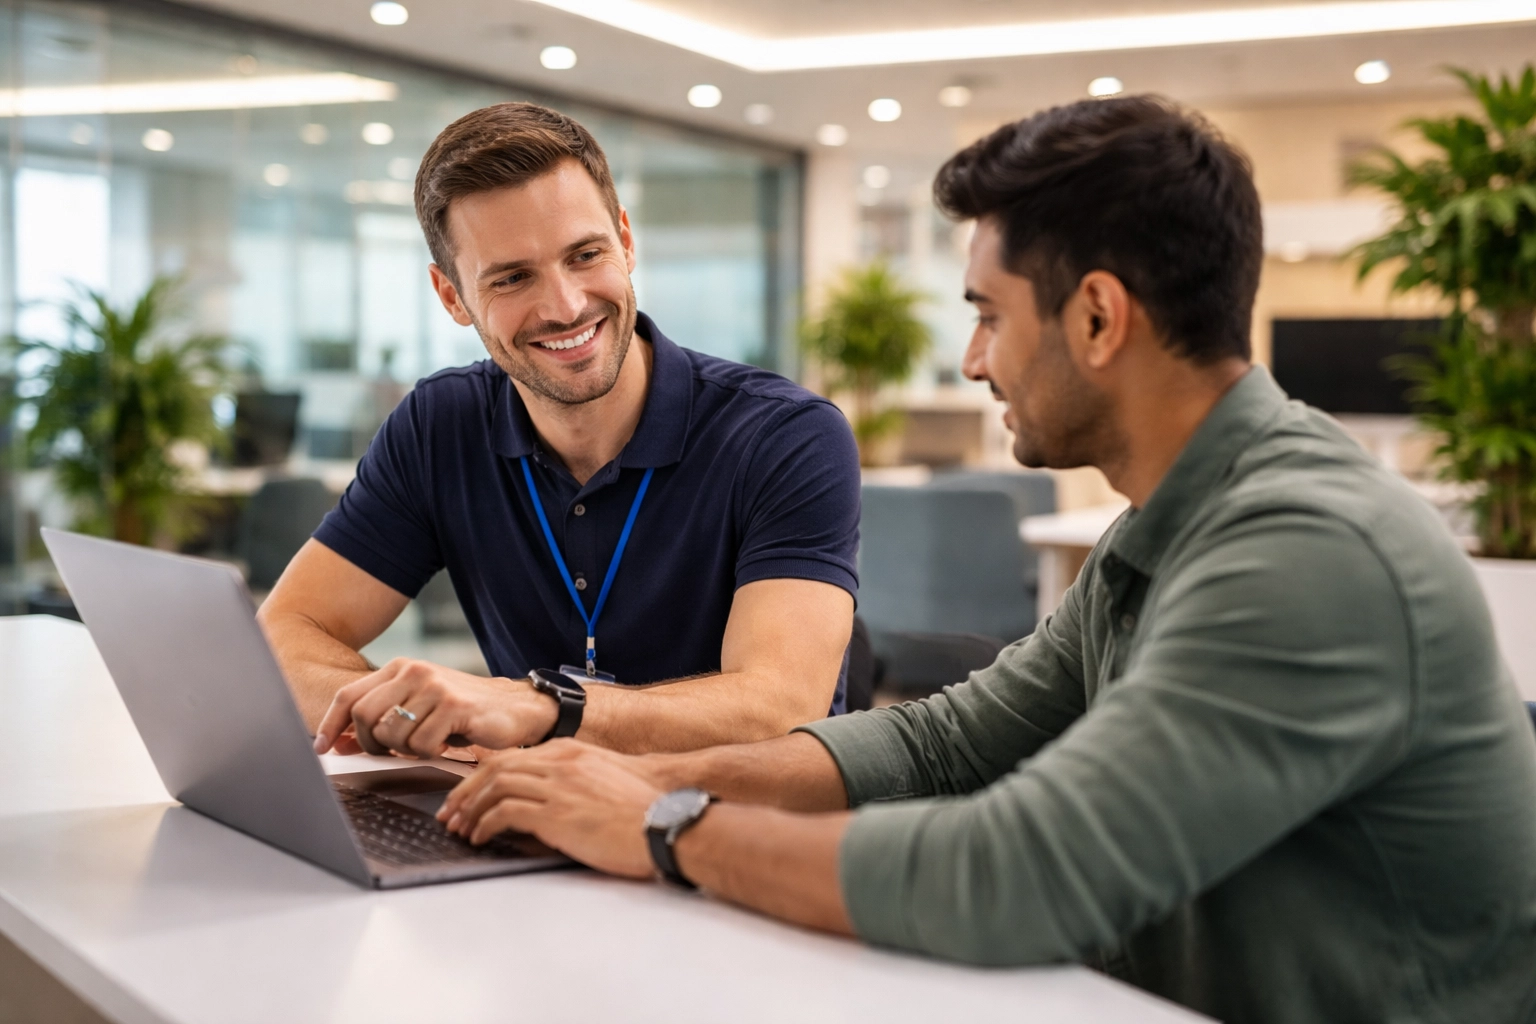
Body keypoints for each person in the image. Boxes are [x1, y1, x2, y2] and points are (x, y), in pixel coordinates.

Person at [429, 96, 1536, 1023]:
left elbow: (1021, 875)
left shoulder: (1307, 552)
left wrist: (666, 829)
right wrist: (641, 778)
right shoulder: (1163, 529)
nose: (970, 361)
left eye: (989, 315)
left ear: (1097, 319)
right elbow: (943, 743)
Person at [258, 102, 860, 759]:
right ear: (452, 296)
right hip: (528, 811)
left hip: (730, 814)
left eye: (585, 254)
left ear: (626, 241)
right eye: (513, 277)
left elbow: (781, 707)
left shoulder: (785, 435)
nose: (566, 306)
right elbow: (286, 633)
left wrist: (540, 708)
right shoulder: (440, 424)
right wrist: (419, 719)